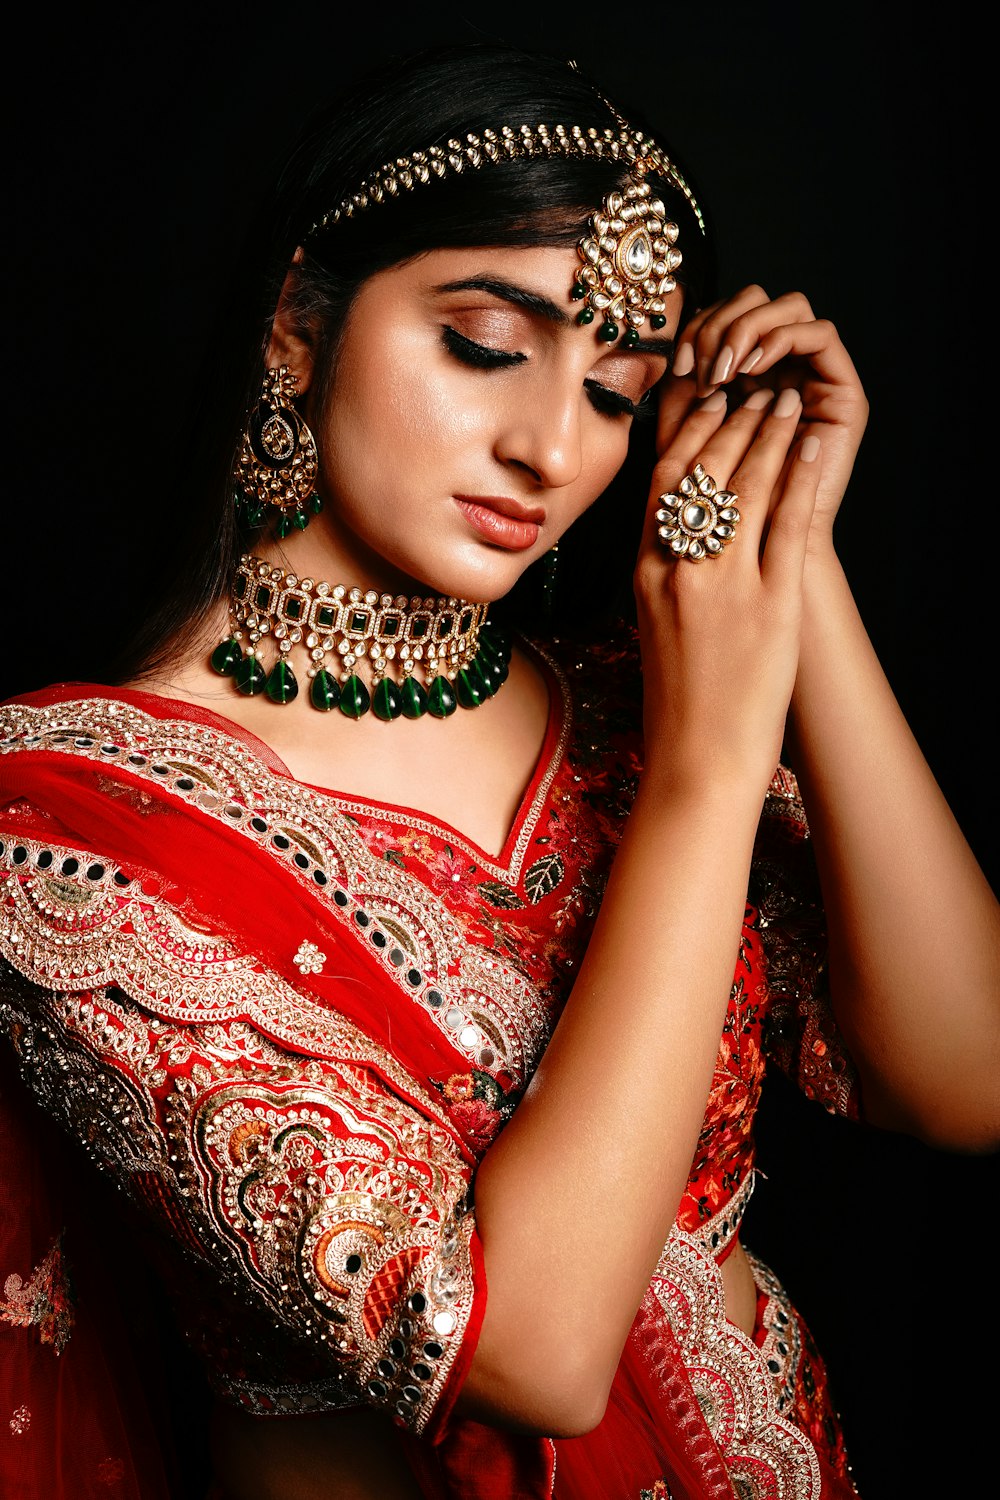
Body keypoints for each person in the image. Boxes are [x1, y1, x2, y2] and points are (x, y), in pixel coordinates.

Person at [1, 42, 997, 1500]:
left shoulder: (614, 703)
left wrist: (788, 555)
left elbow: (963, 1073)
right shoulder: (70, 823)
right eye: (484, 345)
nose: (547, 445)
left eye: (615, 394)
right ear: (295, 326)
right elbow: (531, 1350)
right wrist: (716, 760)